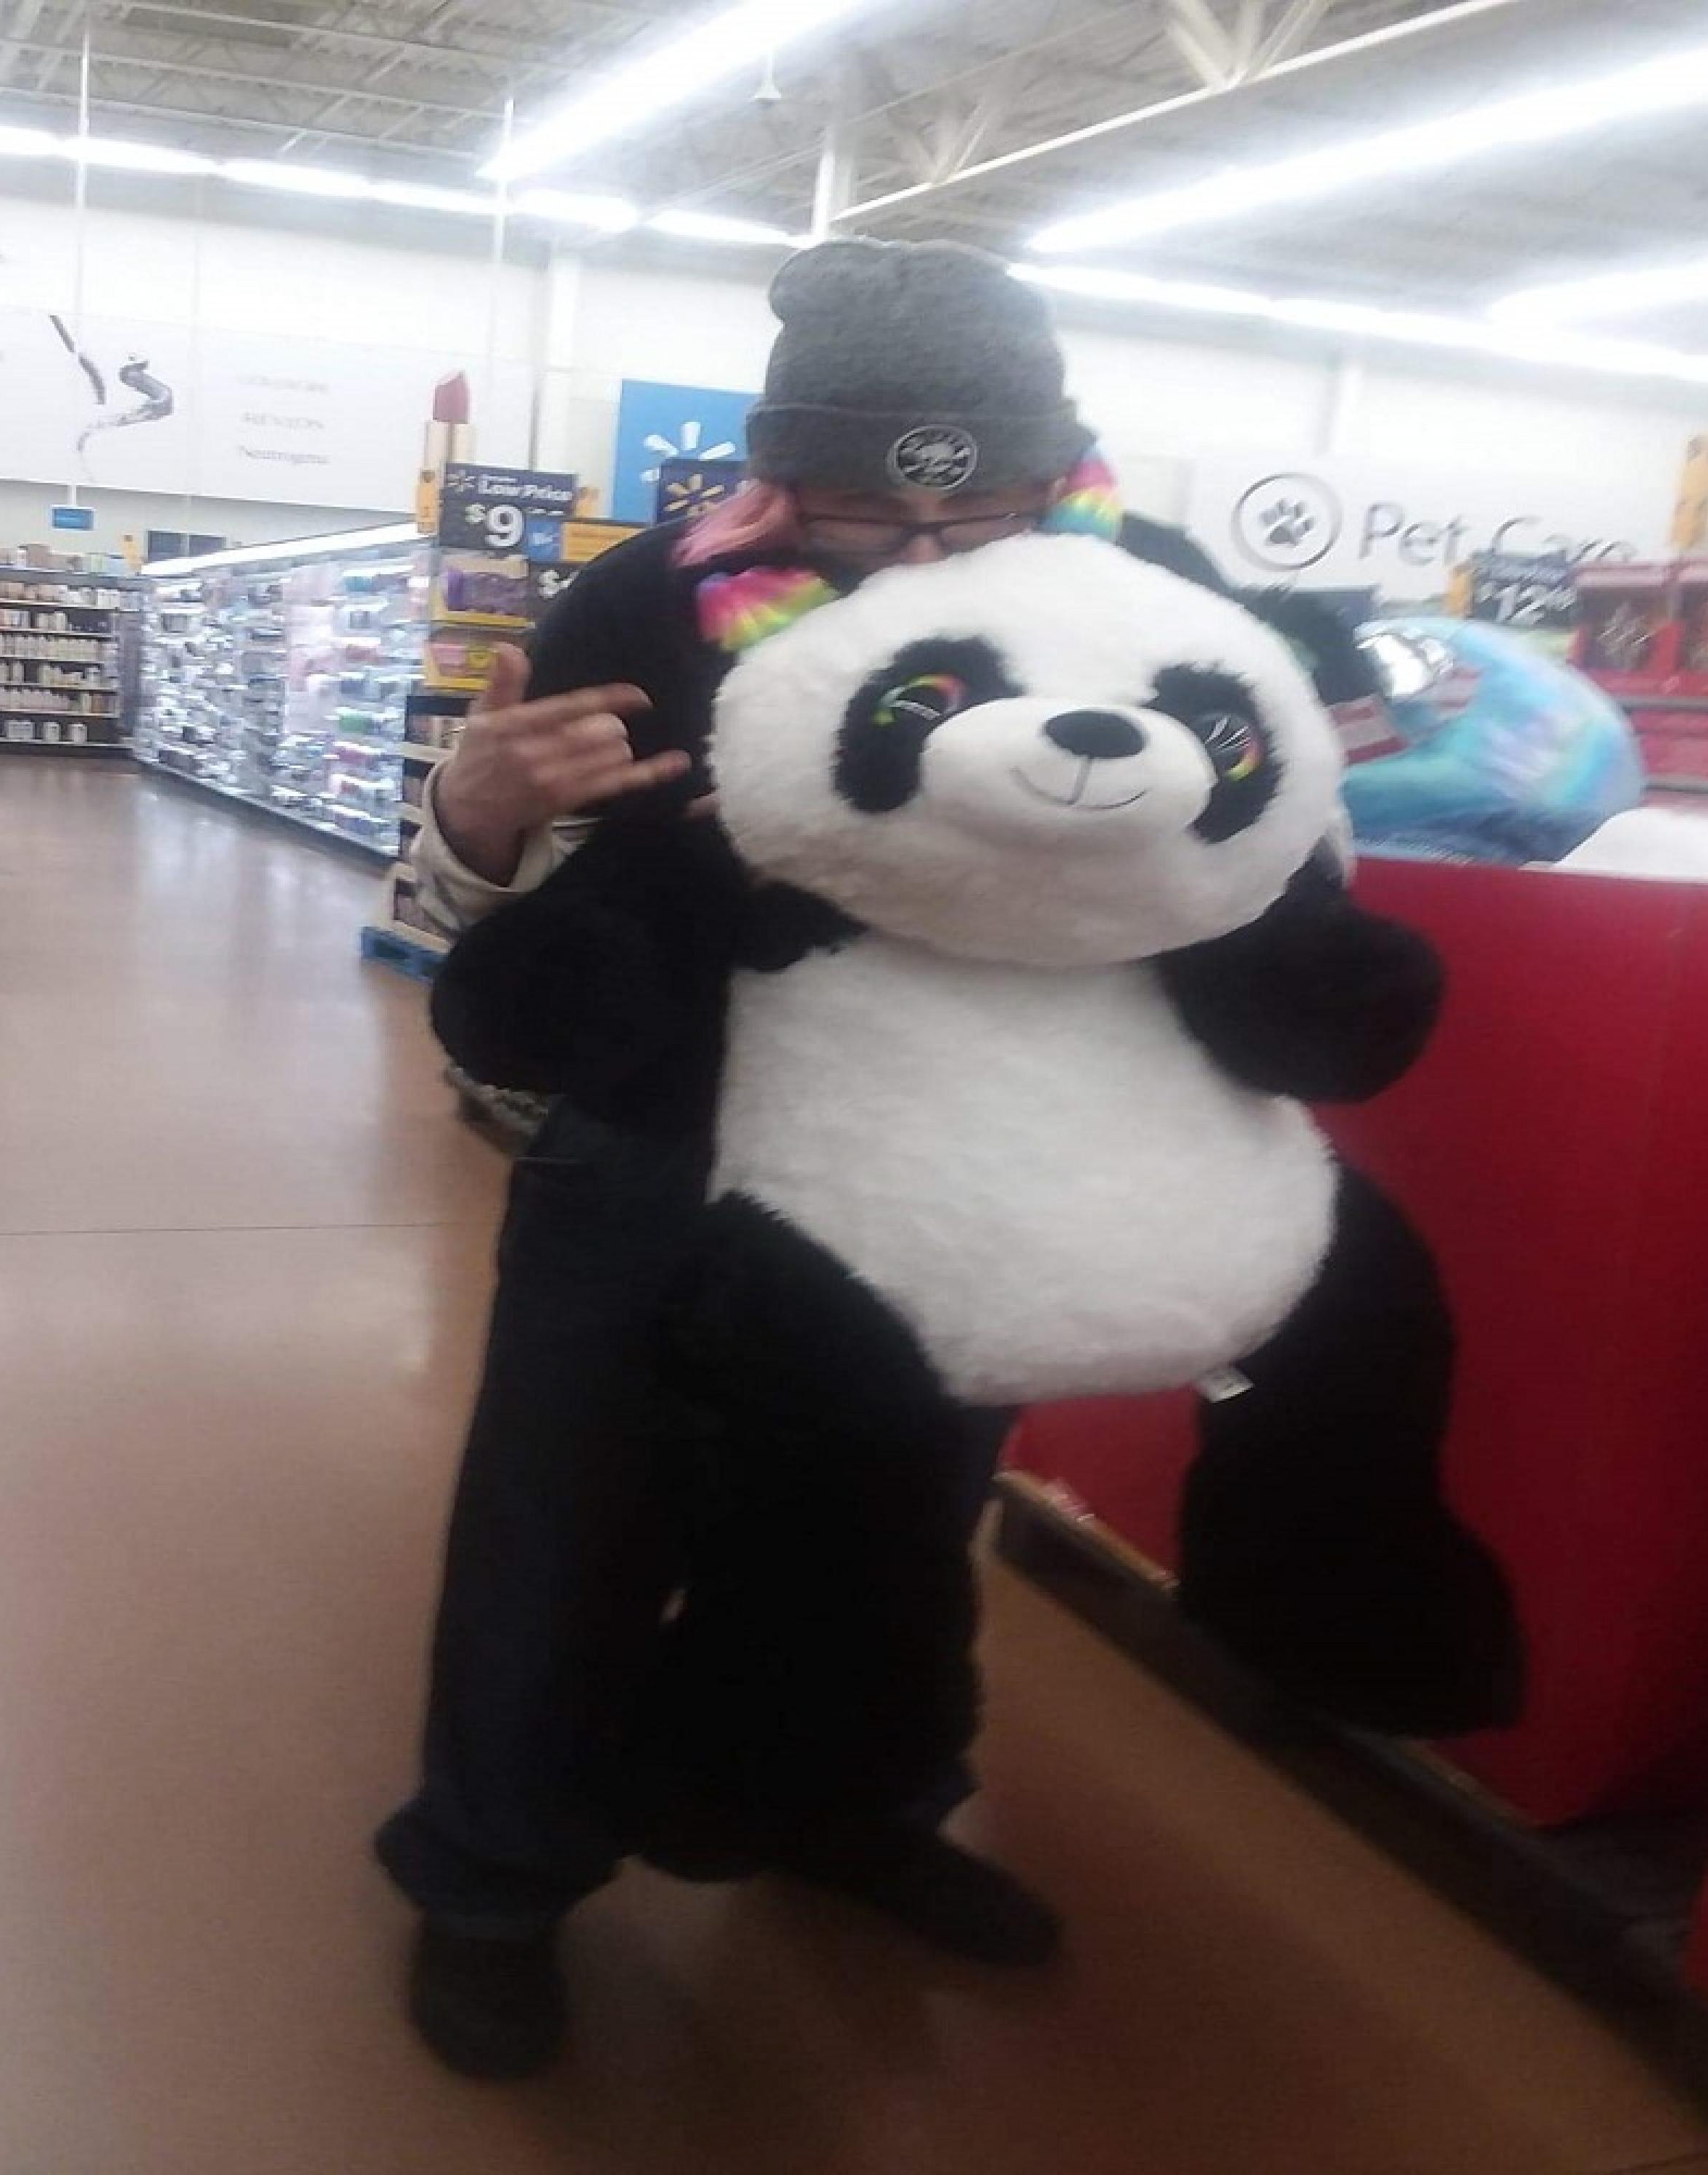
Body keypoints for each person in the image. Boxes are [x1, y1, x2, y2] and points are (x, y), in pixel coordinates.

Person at [376, 239, 1234, 2081]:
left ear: (1051, 469)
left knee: (899, 1531)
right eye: (864, 513)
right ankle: (495, 1883)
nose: (922, 556)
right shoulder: (644, 599)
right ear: (781, 477)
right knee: (566, 1525)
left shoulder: (1150, 592)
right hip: (657, 1146)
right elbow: (471, 919)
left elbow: (1241, 848)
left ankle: (860, 1813)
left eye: (977, 512)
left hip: (962, 1156)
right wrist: (475, 811)